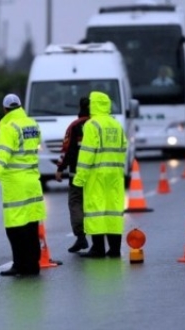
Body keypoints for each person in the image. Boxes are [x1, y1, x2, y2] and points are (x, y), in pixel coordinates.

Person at [0, 93, 46, 277]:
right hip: (32, 181)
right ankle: (33, 264)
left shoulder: (8, 127)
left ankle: (19, 265)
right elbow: (33, 149)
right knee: (32, 225)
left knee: (15, 228)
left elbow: (3, 156)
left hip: (16, 184)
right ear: (19, 106)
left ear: (5, 109)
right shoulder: (32, 124)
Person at [72, 91, 127, 258]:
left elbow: (87, 154)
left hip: (96, 175)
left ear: (93, 105)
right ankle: (115, 249)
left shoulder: (92, 125)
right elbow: (124, 147)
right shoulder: (116, 124)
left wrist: (79, 178)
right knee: (113, 210)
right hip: (115, 175)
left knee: (96, 210)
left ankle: (98, 248)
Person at [55, 97, 90, 253]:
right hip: (97, 174)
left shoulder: (74, 126)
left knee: (76, 203)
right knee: (94, 205)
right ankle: (99, 241)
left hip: (77, 174)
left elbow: (67, 150)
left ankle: (81, 237)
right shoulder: (98, 125)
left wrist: (60, 169)